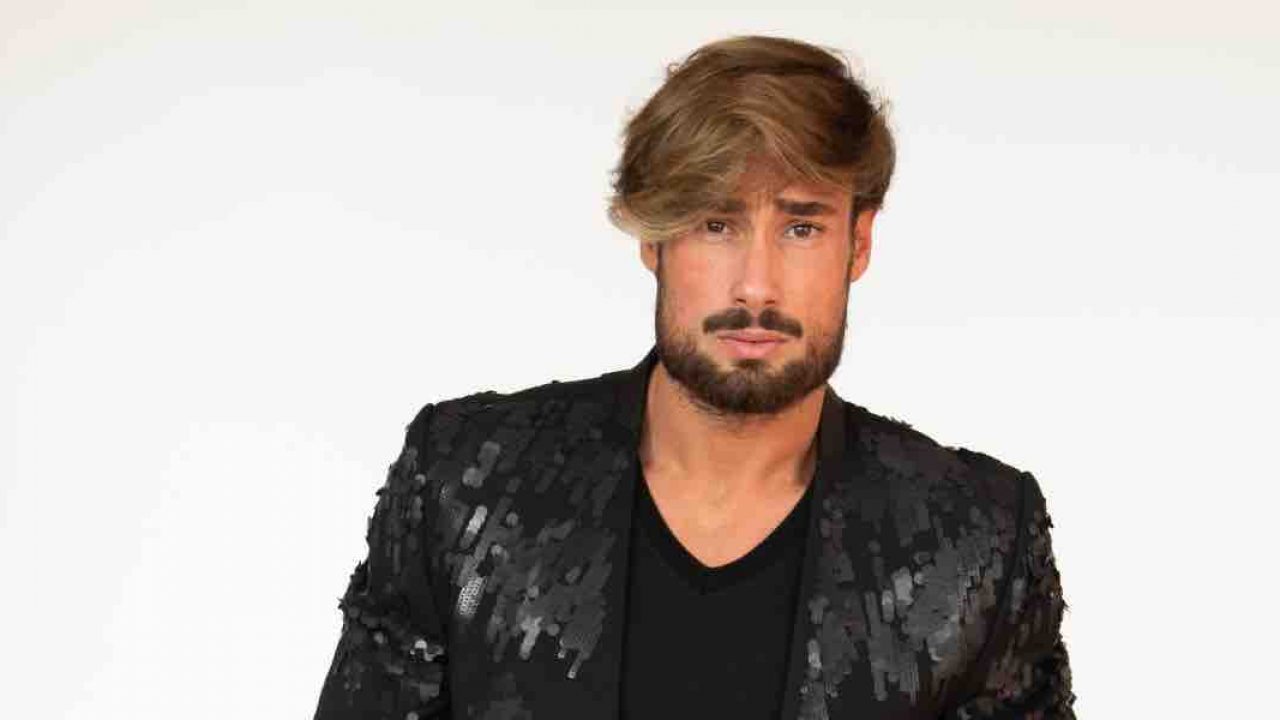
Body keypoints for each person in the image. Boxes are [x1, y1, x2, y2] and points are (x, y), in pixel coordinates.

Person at [312, 34, 1076, 719]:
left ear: (859, 243)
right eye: (716, 223)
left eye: (801, 227)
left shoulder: (973, 542)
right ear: (653, 239)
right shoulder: (465, 487)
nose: (756, 285)